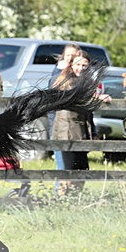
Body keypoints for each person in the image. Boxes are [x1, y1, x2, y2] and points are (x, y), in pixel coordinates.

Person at [51, 50, 111, 194]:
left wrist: (93, 131)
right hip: (67, 132)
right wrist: (98, 98)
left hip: (81, 133)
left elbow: (88, 112)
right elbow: (76, 98)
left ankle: (74, 200)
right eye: (78, 64)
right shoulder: (65, 81)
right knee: (69, 172)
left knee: (82, 170)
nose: (81, 68)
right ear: (71, 65)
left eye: (85, 65)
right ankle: (60, 200)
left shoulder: (85, 83)